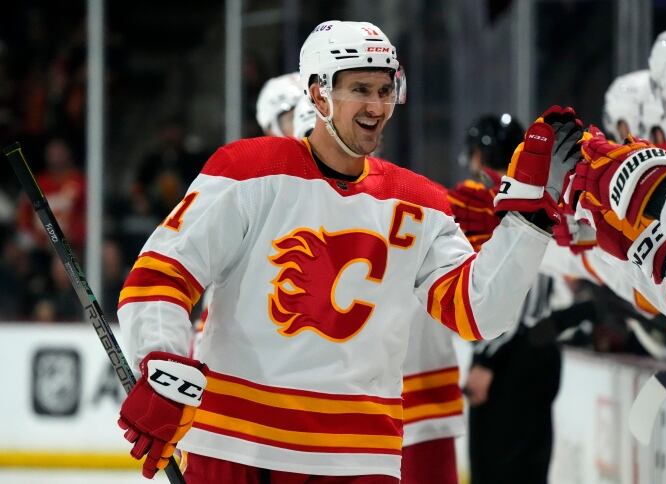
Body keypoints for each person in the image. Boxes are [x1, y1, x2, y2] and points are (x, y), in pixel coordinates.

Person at [116, 20, 581, 482]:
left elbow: (479, 312)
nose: (376, 106)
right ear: (318, 94)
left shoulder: (419, 203)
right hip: (237, 446)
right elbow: (163, 272)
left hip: (358, 459)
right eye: (361, 88)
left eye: (385, 90)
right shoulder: (248, 172)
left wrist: (528, 221)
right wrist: (160, 359)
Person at [450, 114, 561, 484]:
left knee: (496, 468)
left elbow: (515, 291)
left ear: (480, 158)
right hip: (540, 351)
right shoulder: (540, 192)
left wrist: (487, 359)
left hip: (511, 354)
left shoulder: (490, 199)